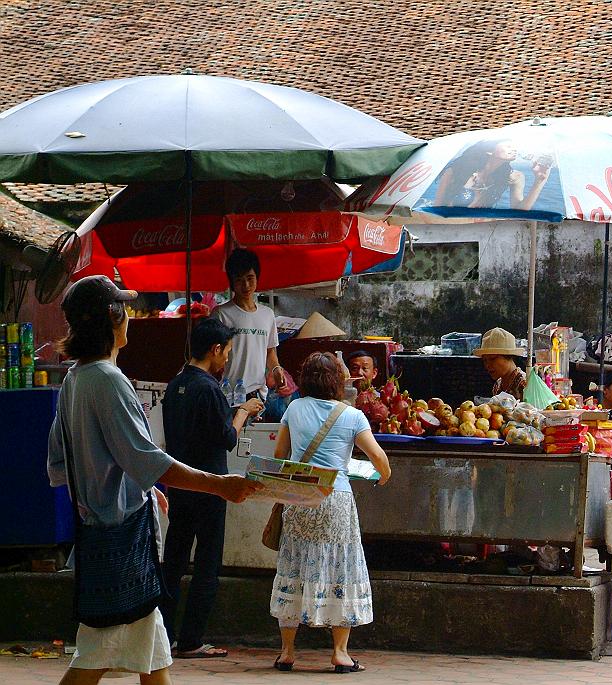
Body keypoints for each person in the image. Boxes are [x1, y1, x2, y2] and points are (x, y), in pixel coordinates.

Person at [46, 275, 261, 685]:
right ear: (113, 318)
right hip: (122, 542)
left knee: (153, 655)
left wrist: (141, 490)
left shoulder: (75, 379)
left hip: (108, 534)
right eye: (123, 309)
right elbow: (147, 460)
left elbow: (61, 465)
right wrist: (220, 484)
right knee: (94, 659)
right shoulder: (108, 381)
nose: (129, 315)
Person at [270, 352, 391, 673]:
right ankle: (339, 653)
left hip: (299, 498)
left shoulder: (294, 408)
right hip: (336, 501)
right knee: (341, 567)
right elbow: (378, 458)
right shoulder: (351, 416)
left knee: (295, 563)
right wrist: (383, 476)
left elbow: (281, 455)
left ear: (306, 379)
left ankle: (287, 652)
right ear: (339, 382)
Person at [159, 319, 265, 659]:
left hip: (179, 482)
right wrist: (244, 412)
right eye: (228, 352)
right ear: (215, 350)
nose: (227, 360)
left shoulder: (175, 386)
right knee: (206, 562)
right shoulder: (209, 389)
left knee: (174, 560)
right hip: (211, 486)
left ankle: (163, 635)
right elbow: (227, 437)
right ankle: (191, 639)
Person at [212, 248, 285, 401]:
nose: (246, 285)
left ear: (257, 277)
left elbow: (270, 351)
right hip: (229, 394)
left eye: (250, 278)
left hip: (259, 395)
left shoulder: (267, 314)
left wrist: (276, 369)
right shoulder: (221, 314)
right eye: (239, 280)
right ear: (232, 282)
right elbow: (211, 355)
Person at [434, 139, 551, 211]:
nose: (514, 149)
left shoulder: (515, 177)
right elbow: (438, 207)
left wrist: (540, 181)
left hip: (482, 230)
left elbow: (520, 210)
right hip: (453, 227)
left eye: (515, 147)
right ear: (489, 151)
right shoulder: (456, 171)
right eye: (508, 146)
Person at [473, 327, 527, 400]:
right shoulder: (498, 385)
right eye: (485, 360)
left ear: (509, 356)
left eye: (493, 359)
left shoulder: (524, 384)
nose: (487, 365)